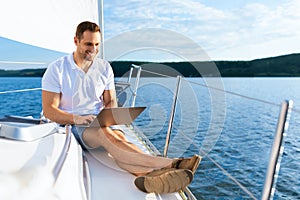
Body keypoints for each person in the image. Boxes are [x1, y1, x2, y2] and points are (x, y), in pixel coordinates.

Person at [41, 21, 201, 194]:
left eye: (97, 45)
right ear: (76, 41)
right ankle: (171, 163)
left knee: (118, 141)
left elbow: (110, 101)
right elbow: (50, 110)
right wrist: (77, 119)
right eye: (88, 44)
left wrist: (108, 116)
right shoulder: (57, 69)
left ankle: (147, 177)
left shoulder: (104, 68)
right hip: (73, 124)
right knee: (105, 135)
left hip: (99, 121)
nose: (93, 49)